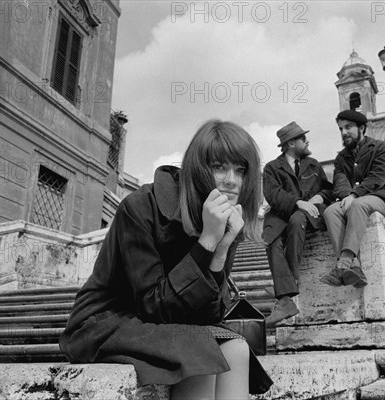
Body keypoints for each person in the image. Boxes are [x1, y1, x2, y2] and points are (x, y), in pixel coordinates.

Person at [59, 119, 272, 399]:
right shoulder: (140, 206)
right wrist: (206, 240)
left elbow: (211, 316)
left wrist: (220, 249)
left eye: (241, 170)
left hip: (166, 326)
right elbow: (151, 305)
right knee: (201, 350)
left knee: (236, 347)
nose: (232, 180)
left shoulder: (224, 217)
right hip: (105, 322)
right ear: (198, 168)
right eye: (219, 167)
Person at [262, 122, 333, 325]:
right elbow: (272, 194)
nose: (307, 141)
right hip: (282, 215)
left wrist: (319, 197)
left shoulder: (313, 164)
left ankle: (287, 283)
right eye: (303, 138)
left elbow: (328, 189)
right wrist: (297, 202)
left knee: (297, 219)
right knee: (271, 240)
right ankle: (285, 299)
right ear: (291, 143)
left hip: (309, 214)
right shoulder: (272, 168)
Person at [320, 110, 385, 288]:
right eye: (340, 129)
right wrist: (347, 195)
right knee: (331, 211)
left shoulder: (380, 147)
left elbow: (377, 177)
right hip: (353, 199)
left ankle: (344, 262)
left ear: (361, 128)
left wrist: (354, 195)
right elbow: (339, 180)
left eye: (348, 127)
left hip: (380, 198)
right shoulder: (341, 157)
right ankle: (355, 268)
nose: (343, 133)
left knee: (358, 205)